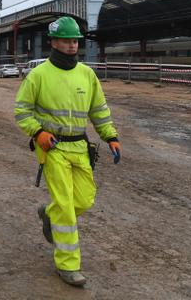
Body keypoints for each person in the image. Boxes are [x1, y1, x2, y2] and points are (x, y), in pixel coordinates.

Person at [14, 16, 121, 287]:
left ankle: (49, 214)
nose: (72, 45)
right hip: (53, 148)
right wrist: (38, 133)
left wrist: (111, 136)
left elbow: (99, 111)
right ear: (53, 42)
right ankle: (68, 266)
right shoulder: (38, 75)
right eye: (66, 40)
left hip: (80, 146)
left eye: (75, 41)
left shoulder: (87, 74)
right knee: (65, 207)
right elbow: (22, 111)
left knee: (84, 200)